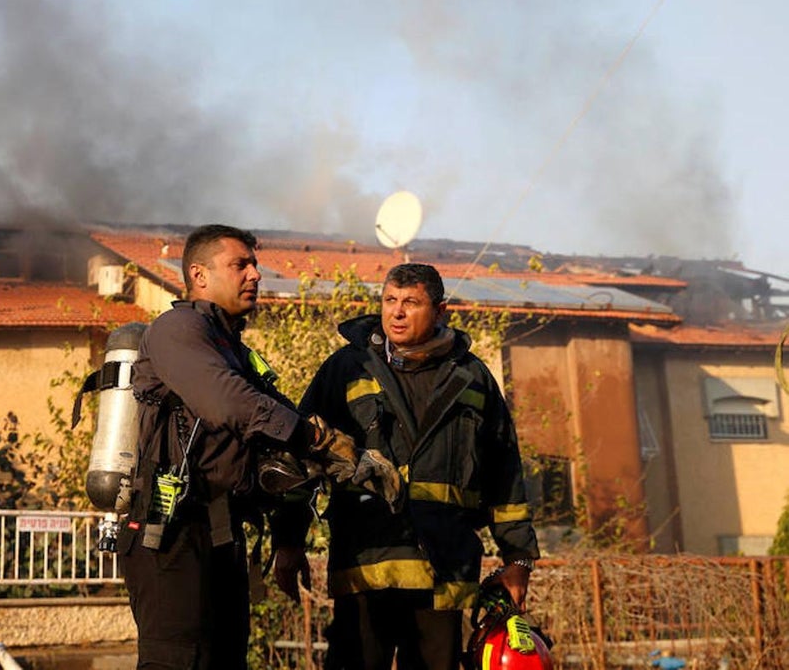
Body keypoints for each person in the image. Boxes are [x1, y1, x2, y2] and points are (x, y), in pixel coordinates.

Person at [116, 224, 396, 670]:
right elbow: (228, 402)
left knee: (226, 659)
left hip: (221, 530)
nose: (255, 275)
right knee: (178, 660)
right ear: (199, 275)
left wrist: (352, 459)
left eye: (254, 264)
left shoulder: (232, 347)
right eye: (239, 264)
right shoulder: (176, 329)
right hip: (169, 531)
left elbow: (281, 420)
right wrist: (318, 440)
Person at [273, 263, 541, 670]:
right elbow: (299, 457)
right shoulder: (347, 369)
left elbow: (505, 473)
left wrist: (518, 558)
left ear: (440, 311)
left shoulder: (473, 379)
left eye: (411, 302)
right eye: (389, 301)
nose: (396, 312)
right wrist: (288, 541)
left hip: (445, 571)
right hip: (366, 566)